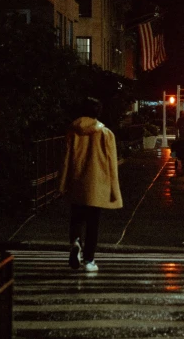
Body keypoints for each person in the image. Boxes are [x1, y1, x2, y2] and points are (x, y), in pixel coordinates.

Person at [59, 97, 122, 273]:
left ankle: (76, 242)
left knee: (76, 218)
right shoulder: (105, 134)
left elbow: (65, 160)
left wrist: (62, 183)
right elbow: (112, 164)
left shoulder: (72, 132)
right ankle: (89, 260)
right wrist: (114, 190)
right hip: (98, 184)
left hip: (76, 181)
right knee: (93, 224)